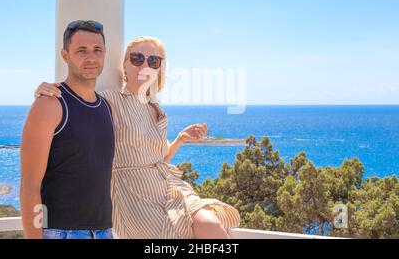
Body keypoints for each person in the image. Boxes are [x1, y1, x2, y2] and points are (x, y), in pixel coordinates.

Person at [35, 36, 240, 239]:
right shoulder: (110, 100)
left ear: (159, 68)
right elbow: (76, 101)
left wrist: (180, 139)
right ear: (125, 65)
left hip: (169, 189)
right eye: (137, 58)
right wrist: (47, 90)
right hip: (133, 196)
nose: (145, 65)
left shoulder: (155, 108)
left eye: (153, 61)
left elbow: (158, 160)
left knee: (211, 225)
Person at [20, 20, 115, 239]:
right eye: (81, 50)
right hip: (61, 232)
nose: (91, 58)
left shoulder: (106, 107)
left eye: (97, 50)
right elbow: (29, 185)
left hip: (104, 231)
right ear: (65, 55)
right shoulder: (49, 104)